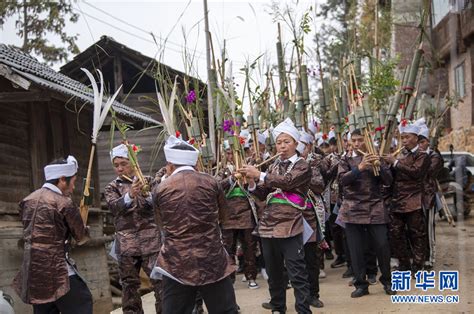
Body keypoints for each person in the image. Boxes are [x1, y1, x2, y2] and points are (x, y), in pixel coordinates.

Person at [153, 136, 238, 314]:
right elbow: (224, 216)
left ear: (169, 165)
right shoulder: (212, 182)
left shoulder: (160, 189)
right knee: (225, 310)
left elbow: (161, 223)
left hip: (176, 261)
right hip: (212, 257)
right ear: (195, 164)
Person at [239, 118, 312, 314]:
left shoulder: (302, 165)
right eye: (279, 142)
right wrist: (252, 182)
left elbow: (288, 182)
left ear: (296, 144)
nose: (282, 146)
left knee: (296, 272)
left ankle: (303, 309)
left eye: (286, 142)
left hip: (290, 224)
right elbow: (262, 194)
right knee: (274, 272)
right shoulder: (273, 166)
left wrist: (259, 175)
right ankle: (278, 307)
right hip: (268, 225)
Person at [13, 156, 92, 314]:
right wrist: (84, 227)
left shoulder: (27, 200)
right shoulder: (63, 202)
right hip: (57, 271)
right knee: (82, 303)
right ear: (62, 179)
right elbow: (81, 237)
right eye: (73, 181)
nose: (73, 187)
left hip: (33, 272)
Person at [104, 144, 162, 314]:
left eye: (124, 164)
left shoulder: (149, 181)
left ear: (133, 162)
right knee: (129, 284)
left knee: (160, 281)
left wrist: (147, 195)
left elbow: (160, 205)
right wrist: (129, 195)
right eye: (116, 165)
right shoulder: (112, 187)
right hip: (127, 243)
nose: (120, 168)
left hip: (151, 241)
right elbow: (114, 207)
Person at [338, 129, 396, 298]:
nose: (357, 144)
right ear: (349, 142)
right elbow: (343, 181)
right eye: (354, 140)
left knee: (382, 246)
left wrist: (379, 165)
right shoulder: (345, 159)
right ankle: (361, 284)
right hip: (352, 208)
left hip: (375, 207)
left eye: (360, 140)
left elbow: (389, 181)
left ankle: (387, 281)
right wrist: (360, 167)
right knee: (356, 249)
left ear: (367, 141)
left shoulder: (376, 156)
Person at [382, 121, 430, 274]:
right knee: (396, 234)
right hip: (397, 201)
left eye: (407, 137)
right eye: (402, 137)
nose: (404, 141)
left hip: (414, 200)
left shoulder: (423, 155)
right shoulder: (401, 155)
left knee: (417, 234)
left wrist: (394, 162)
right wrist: (386, 166)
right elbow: (392, 177)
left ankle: (418, 265)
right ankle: (404, 264)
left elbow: (416, 172)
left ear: (416, 137)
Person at [217, 144, 259, 289]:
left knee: (249, 247)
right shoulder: (223, 171)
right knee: (228, 248)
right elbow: (217, 187)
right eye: (228, 153)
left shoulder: (249, 168)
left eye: (233, 153)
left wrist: (249, 178)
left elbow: (258, 189)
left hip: (246, 213)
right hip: (228, 215)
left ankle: (251, 277)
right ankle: (230, 279)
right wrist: (230, 179)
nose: (230, 156)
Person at [416, 120, 443, 269]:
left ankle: (429, 259)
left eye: (423, 142)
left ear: (427, 142)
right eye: (418, 142)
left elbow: (426, 173)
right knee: (417, 230)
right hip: (413, 198)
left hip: (428, 198)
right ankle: (419, 257)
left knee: (428, 229)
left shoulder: (434, 156)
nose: (420, 145)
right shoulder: (411, 155)